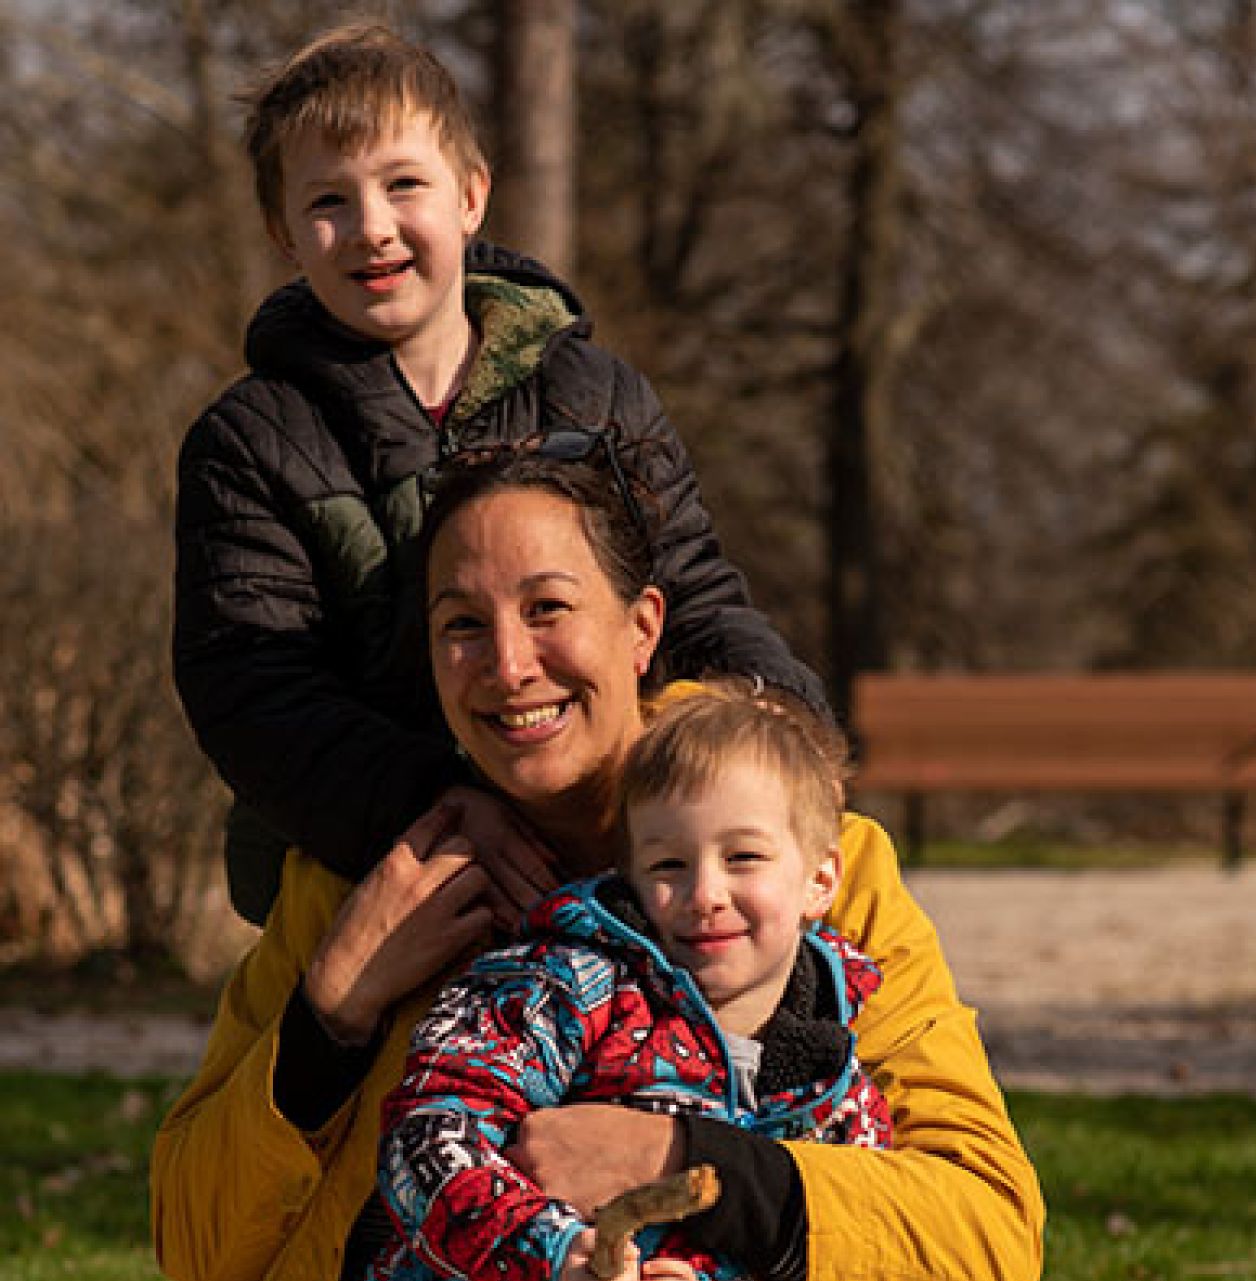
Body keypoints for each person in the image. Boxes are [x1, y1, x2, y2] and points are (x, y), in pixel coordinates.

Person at [151, 451, 1044, 1281]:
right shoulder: (363, 879)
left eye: (548, 608)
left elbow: (991, 1235)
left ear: (643, 626)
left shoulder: (807, 863)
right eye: (462, 625)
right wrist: (329, 1018)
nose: (508, 667)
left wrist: (681, 1163)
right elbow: (195, 1251)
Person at [171, 19, 824, 926]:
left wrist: (784, 727)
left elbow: (695, 592)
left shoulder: (593, 395)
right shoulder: (250, 439)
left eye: (404, 185)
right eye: (328, 202)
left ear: (471, 196)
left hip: (601, 832)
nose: (372, 229)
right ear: (284, 232)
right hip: (382, 864)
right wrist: (437, 807)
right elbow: (252, 691)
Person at [367, 683, 895, 1281]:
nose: (705, 894)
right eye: (669, 865)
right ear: (631, 877)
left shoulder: (834, 1077)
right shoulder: (559, 988)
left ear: (819, 880)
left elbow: (836, 1251)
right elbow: (427, 1131)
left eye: (744, 857)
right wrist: (553, 1256)